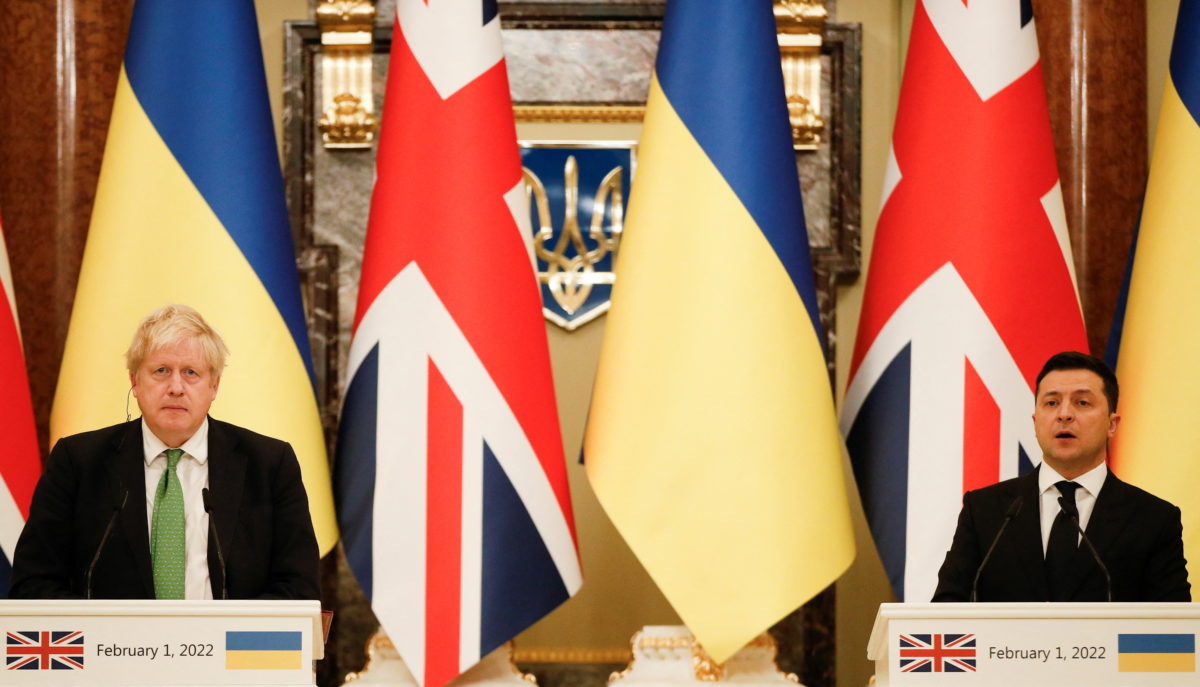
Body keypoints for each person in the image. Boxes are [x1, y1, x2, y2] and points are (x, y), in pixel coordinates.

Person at [9, 304, 319, 600]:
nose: (175, 387)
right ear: (135, 382)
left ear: (214, 386)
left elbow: (298, 587)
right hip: (116, 639)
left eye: (191, 373)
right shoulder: (78, 462)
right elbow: (34, 583)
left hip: (230, 640)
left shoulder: (269, 464)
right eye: (161, 371)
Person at [932, 351, 1190, 602]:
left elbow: (1173, 624)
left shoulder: (1154, 519)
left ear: (1112, 424)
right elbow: (947, 609)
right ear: (1035, 421)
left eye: (1082, 402)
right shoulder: (985, 510)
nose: (1064, 414)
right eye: (1052, 403)